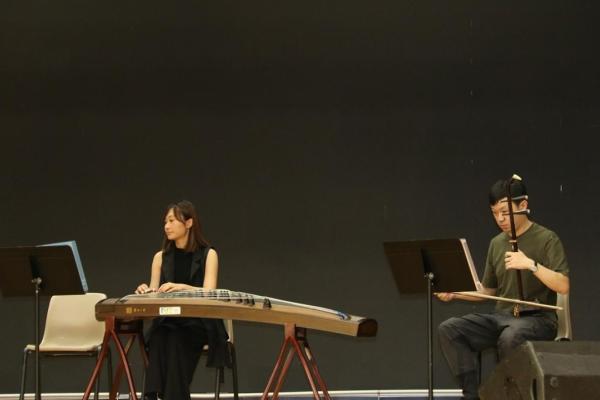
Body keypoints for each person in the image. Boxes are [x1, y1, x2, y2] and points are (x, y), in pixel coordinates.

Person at [436, 178, 570, 400]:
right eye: (494, 213)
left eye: (505, 212)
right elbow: (489, 291)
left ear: (523, 205)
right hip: (502, 317)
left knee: (510, 337)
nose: (500, 219)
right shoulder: (496, 243)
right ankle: (473, 395)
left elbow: (563, 285)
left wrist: (531, 265)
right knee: (450, 329)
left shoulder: (547, 238)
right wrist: (455, 292)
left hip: (539, 320)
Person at [135, 200, 229, 400]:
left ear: (188, 223)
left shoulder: (208, 254)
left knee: (175, 339)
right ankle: (159, 395)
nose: (166, 226)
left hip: (199, 322)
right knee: (159, 336)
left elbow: (210, 293)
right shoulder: (160, 257)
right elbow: (153, 295)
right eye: (165, 222)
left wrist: (183, 287)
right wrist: (145, 292)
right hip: (169, 321)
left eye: (171, 221)